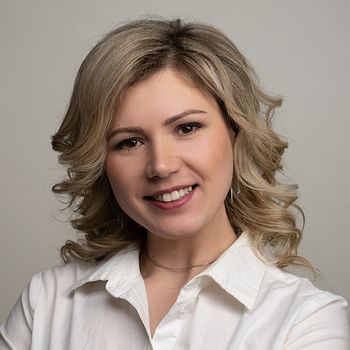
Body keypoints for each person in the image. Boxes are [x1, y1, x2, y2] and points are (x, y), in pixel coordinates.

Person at [0, 18, 349, 350]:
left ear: (236, 132)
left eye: (187, 128)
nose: (162, 166)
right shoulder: (46, 303)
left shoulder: (307, 320)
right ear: (101, 163)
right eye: (129, 142)